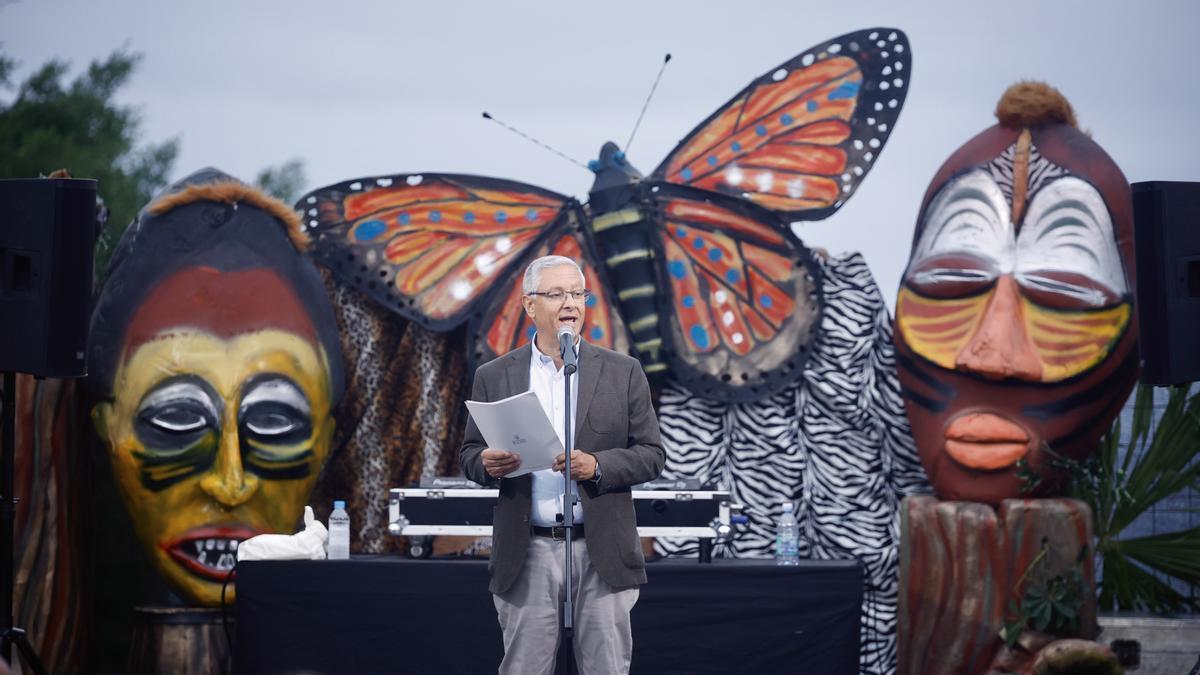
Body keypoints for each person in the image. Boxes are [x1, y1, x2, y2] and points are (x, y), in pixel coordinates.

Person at [459, 255, 664, 675]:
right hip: (527, 548)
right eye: (556, 294)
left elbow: (652, 454)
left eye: (577, 293)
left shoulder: (623, 372)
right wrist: (487, 462)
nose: (570, 302)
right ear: (530, 306)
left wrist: (598, 465)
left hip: (601, 547)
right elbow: (468, 454)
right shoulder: (495, 375)